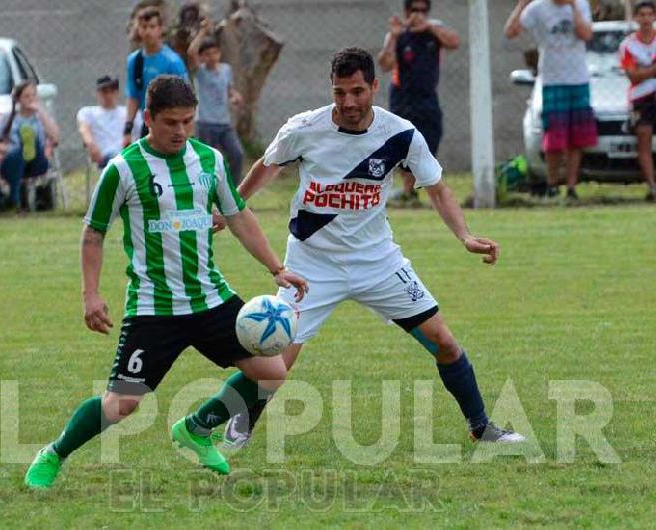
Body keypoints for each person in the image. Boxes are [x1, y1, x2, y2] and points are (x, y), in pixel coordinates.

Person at [221, 48, 526, 449]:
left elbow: (436, 188)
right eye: (340, 92)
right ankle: (238, 422)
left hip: (377, 261)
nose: (348, 102)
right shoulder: (305, 128)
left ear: (374, 87)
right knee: (274, 360)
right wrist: (232, 207)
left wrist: (465, 236)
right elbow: (269, 164)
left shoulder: (399, 134)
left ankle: (481, 426)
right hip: (312, 265)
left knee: (445, 343)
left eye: (357, 91)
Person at [23, 75, 308, 489]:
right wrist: (91, 294)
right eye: (171, 122)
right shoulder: (123, 170)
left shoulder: (209, 160)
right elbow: (93, 234)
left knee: (271, 372)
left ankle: (196, 428)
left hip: (210, 299)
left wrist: (275, 267)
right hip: (153, 308)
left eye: (187, 121)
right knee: (121, 405)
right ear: (148, 118)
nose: (180, 131)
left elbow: (239, 216)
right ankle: (54, 452)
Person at [504, 0, 598, 201]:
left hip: (578, 78)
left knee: (577, 138)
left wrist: (573, 8)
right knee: (554, 137)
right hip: (552, 80)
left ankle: (571, 188)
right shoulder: (538, 8)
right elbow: (511, 32)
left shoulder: (580, 5)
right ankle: (552, 184)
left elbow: (586, 34)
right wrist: (521, 6)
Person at [378, 0, 459, 206]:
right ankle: (408, 191)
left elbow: (454, 42)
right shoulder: (398, 35)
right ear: (407, 11)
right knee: (402, 144)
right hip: (402, 98)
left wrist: (430, 26)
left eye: (423, 10)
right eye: (415, 10)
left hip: (427, 97)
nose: (419, 14)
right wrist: (394, 36)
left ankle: (418, 190)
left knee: (430, 140)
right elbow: (385, 64)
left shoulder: (434, 32)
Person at [0, 81, 61, 211]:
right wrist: (9, 149)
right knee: (18, 153)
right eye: (27, 96)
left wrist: (40, 111)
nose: (31, 99)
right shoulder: (8, 118)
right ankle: (23, 149)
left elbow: (56, 138)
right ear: (18, 99)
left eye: (34, 95)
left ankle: (15, 200)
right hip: (12, 163)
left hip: (37, 163)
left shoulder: (41, 118)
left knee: (35, 144)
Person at [186, 20, 246, 184]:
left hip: (224, 123)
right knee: (207, 162)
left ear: (219, 53)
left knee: (237, 154)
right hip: (205, 123)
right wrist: (202, 33)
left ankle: (234, 193)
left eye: (214, 52)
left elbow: (228, 90)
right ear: (202, 56)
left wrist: (234, 97)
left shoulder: (226, 70)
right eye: (207, 54)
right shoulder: (201, 72)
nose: (211, 57)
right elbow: (191, 52)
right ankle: (206, 193)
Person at [123, 6, 189, 146]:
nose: (147, 32)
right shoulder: (134, 61)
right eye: (143, 27)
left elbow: (185, 99)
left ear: (160, 29)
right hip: (148, 124)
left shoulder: (172, 62)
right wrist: (127, 128)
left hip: (170, 126)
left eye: (152, 27)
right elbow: (133, 95)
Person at [619, 0, 656, 202]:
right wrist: (655, 69)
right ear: (636, 18)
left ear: (655, 16)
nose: (646, 19)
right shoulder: (628, 45)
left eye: (649, 15)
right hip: (641, 97)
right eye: (642, 15)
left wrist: (645, 71)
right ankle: (653, 187)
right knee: (644, 138)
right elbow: (633, 76)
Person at [77, 76, 130, 169]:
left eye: (112, 91)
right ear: (98, 93)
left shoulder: (128, 113)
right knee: (117, 158)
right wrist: (91, 145)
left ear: (117, 93)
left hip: (127, 154)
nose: (109, 95)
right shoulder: (88, 112)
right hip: (104, 156)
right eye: (105, 91)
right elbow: (84, 130)